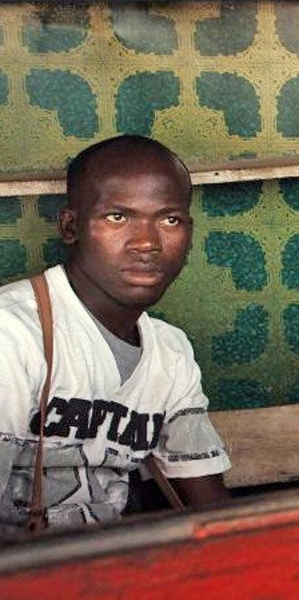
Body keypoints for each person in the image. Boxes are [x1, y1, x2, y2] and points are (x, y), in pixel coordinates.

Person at [0, 135, 231, 534]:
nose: (147, 243)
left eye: (169, 220)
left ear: (190, 234)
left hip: (116, 560)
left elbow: (210, 506)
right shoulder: (13, 333)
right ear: (70, 227)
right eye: (117, 217)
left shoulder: (170, 352)